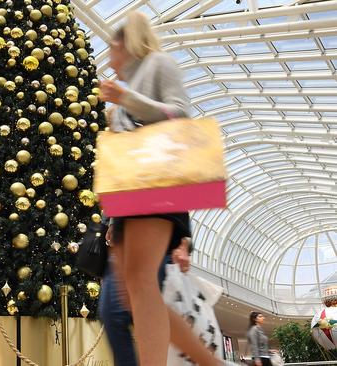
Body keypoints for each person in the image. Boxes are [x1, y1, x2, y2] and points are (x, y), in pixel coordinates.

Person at [99, 11, 236, 366]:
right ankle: (211, 364)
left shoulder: (159, 63)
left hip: (156, 186)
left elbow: (179, 115)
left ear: (126, 42)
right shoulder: (129, 84)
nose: (109, 55)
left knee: (140, 284)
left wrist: (125, 99)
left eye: (112, 46)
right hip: (132, 193)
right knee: (135, 292)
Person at [99, 236, 193, 366]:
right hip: (124, 249)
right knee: (112, 314)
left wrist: (181, 243)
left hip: (154, 246)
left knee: (151, 322)